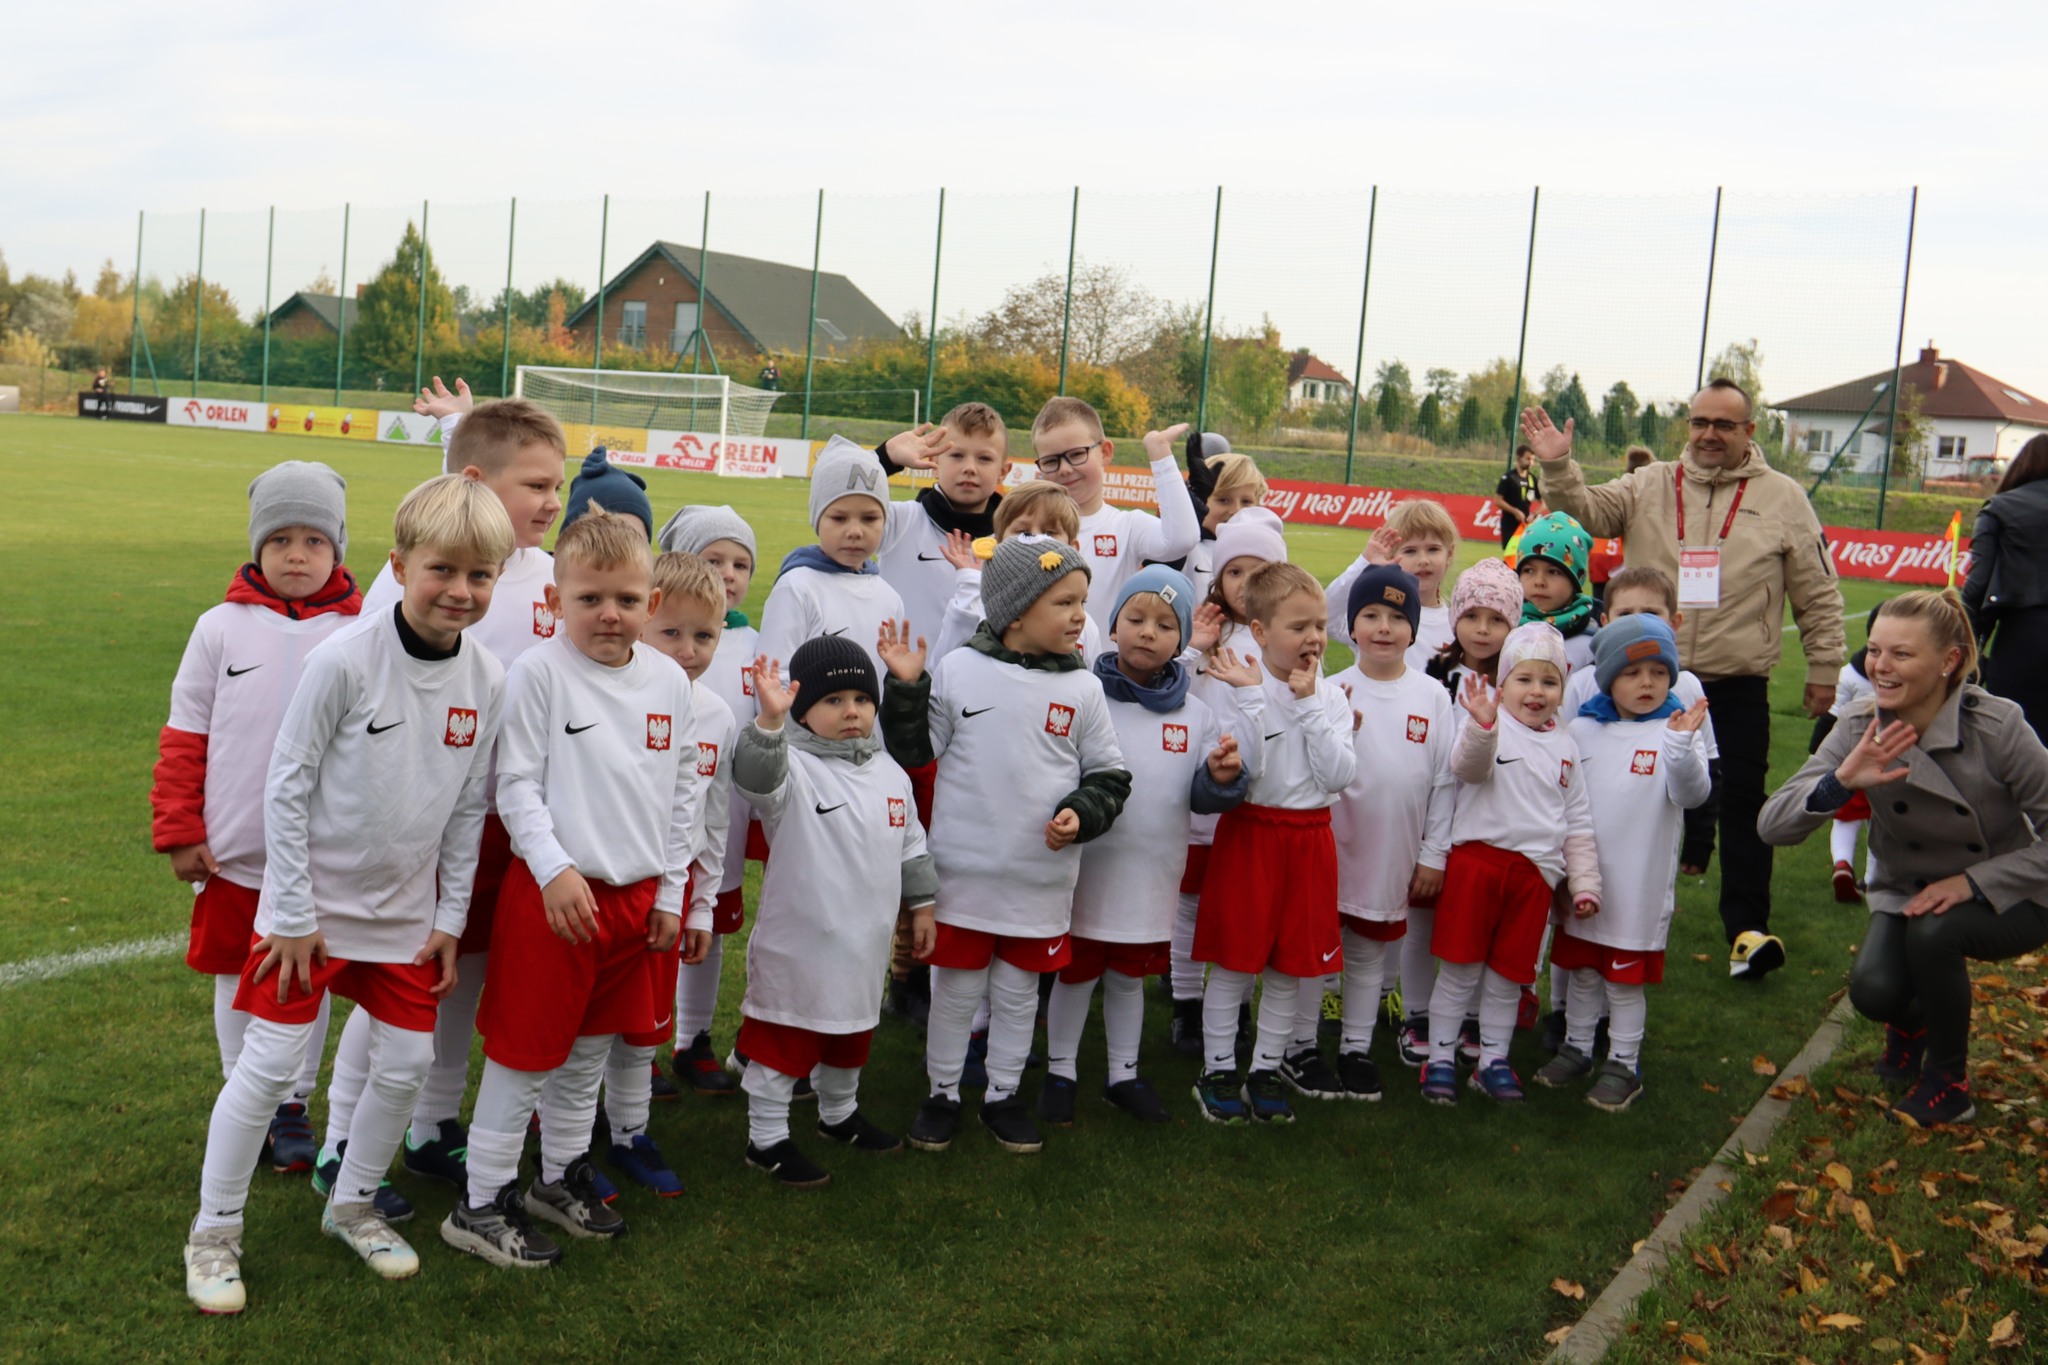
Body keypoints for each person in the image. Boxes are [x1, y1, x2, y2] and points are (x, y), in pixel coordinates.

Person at [181, 475, 512, 1313]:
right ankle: (214, 1231)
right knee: (268, 1068)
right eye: (444, 569)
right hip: (311, 918)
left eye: (481, 575)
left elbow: (470, 807)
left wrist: (447, 919)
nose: (461, 591)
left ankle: (353, 1204)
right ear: (398, 566)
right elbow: (285, 788)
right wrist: (288, 913)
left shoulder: (489, 677)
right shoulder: (343, 661)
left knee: (403, 1063)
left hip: (403, 920)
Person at [1521, 379, 1845, 981]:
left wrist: (1825, 667)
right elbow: (1584, 512)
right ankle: (1605, 922)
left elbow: (1818, 592)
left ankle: (1747, 932)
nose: (1709, 434)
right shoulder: (1650, 483)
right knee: (1625, 801)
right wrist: (1558, 464)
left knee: (1746, 803)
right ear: (1687, 426)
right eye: (1700, 422)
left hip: (1736, 680)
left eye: (1725, 424)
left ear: (1750, 432)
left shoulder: (1783, 498)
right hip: (1641, 678)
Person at [444, 506, 700, 1266]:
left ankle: (555, 1177)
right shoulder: (538, 674)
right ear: (555, 602)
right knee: (525, 1055)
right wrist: (553, 869)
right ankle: (480, 1200)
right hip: (555, 897)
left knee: (588, 1050)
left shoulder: (668, 682)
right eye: (589, 598)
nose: (609, 614)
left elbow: (684, 790)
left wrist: (669, 891)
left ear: (652, 604)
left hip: (634, 898)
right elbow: (514, 785)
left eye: (626, 598)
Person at [327, 392, 568, 1195]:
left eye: (556, 484)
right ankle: (337, 1139)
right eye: (536, 484)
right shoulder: (404, 589)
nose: (552, 500)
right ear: (475, 479)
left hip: (512, 822)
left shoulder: (550, 576)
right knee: (399, 982)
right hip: (429, 824)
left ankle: (432, 1128)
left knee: (458, 981)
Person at [1759, 588, 2048, 1128]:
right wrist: (1842, 781)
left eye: (1901, 654)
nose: (1880, 667)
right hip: (1909, 889)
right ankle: (1913, 1022)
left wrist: (1975, 881)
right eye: (1874, 651)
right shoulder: (1856, 725)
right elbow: (1772, 826)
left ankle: (1948, 1084)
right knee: (1874, 991)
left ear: (1950, 661)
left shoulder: (1999, 727)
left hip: (2016, 894)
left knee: (1934, 933)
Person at [880, 537, 1131, 1155]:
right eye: (1065, 602)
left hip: (1039, 884)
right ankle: (941, 1093)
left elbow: (1110, 776)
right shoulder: (962, 669)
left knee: (1019, 996)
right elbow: (915, 752)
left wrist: (1080, 812)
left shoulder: (1083, 692)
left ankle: (1002, 1095)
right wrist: (908, 690)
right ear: (1016, 612)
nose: (1080, 616)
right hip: (963, 880)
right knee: (956, 992)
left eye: (1083, 602)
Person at [152, 462, 364, 1184]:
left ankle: (291, 1103)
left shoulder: (363, 631)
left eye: (313, 538)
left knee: (306, 981)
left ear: (339, 546)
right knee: (229, 977)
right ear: (256, 546)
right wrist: (180, 826)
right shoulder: (219, 627)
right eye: (280, 538)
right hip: (235, 854)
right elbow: (186, 735)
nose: (297, 554)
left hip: (319, 861)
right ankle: (242, 1087)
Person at [1042, 567, 1247, 1126]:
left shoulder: (1196, 714)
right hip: (1089, 867)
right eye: (1135, 619)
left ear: (1182, 641)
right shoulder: (1083, 694)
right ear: (1111, 627)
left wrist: (1222, 776)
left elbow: (1202, 796)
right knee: (1077, 970)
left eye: (1163, 624)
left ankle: (1123, 1074)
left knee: (1130, 974)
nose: (1147, 632)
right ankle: (1061, 1072)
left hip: (1150, 871)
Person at [733, 639, 935, 1187]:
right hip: (800, 946)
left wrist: (922, 907)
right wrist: (769, 723)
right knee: (785, 1043)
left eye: (861, 699)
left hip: (862, 944)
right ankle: (767, 1138)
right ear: (802, 711)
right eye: (834, 700)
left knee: (852, 1035)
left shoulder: (889, 772)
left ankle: (838, 1115)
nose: (852, 711)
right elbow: (754, 778)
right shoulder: (792, 767)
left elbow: (912, 845)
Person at [1191, 562, 1359, 1125]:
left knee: (1290, 968)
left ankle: (1265, 1068)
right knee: (1235, 965)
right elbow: (1252, 775)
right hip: (1252, 836)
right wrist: (1258, 702)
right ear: (1260, 633)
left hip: (1310, 841)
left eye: (1319, 625)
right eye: (1298, 627)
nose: (1314, 638)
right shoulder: (1238, 684)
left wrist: (1309, 704)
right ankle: (1217, 1069)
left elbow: (1337, 776)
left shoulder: (1332, 697)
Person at [1423, 622, 1600, 1106]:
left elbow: (1577, 820)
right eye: (1524, 679)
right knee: (1459, 971)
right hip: (1477, 867)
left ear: (1563, 689)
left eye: (1549, 682)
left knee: (1507, 977)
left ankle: (1493, 1060)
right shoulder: (1487, 723)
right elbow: (1467, 768)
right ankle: (1439, 1059)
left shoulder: (1566, 746)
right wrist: (1482, 727)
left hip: (1534, 878)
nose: (1536, 692)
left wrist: (1584, 882)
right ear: (1503, 685)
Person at [604, 550, 735, 1196]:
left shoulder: (717, 715)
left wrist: (702, 904)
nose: (688, 650)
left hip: (669, 895)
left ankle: (629, 1129)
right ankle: (558, 1124)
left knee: (640, 1028)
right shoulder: (608, 695)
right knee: (582, 1026)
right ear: (643, 619)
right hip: (603, 888)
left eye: (704, 635)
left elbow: (712, 822)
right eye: (672, 632)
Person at [1541, 616, 1712, 1110]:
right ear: (1609, 676)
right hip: (1585, 878)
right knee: (1584, 973)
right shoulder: (1583, 729)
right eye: (1634, 673)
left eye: (1660, 673)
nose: (1648, 684)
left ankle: (1623, 1060)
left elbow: (1693, 793)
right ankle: (1576, 1046)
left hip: (1638, 885)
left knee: (1622, 977)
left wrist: (1681, 747)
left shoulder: (1676, 730)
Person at [1321, 564, 1455, 1100]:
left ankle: (1356, 1048)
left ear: (1414, 629)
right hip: (1331, 848)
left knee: (1369, 954)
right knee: (1318, 951)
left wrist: (1434, 854)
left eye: (1397, 617)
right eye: (1370, 614)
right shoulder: (1332, 690)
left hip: (1391, 853)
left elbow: (1445, 783)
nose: (1382, 627)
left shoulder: (1432, 697)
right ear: (1351, 626)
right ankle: (1297, 1045)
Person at [1171, 506, 1290, 1058]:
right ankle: (1185, 1004)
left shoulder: (1282, 642)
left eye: (1258, 573)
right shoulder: (1204, 628)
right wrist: (1195, 647)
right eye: (1234, 572)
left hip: (1253, 804)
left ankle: (1234, 1003)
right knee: (1190, 904)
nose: (1245, 584)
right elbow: (1172, 695)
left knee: (1238, 910)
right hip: (1196, 798)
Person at [655, 504, 760, 1090]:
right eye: (711, 558)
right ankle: (642, 1044)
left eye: (739, 562)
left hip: (718, 817)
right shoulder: (645, 662)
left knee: (708, 927)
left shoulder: (755, 641)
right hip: (655, 831)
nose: (726, 572)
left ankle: (693, 1039)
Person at [1028, 398, 1200, 625]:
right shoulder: (1026, 530)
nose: (1065, 469)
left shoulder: (1127, 525)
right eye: (1051, 461)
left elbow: (1182, 540)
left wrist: (1161, 456)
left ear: (1105, 452)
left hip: (1103, 661)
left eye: (1077, 454)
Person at [758, 436, 906, 687]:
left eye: (869, 518)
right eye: (839, 518)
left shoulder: (890, 597)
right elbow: (774, 678)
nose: (855, 531)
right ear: (817, 518)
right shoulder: (796, 588)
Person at [871, 404, 1008, 650]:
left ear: (1003, 471)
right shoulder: (900, 521)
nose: (970, 467)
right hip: (895, 684)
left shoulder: (1011, 542)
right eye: (956, 455)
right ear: (934, 460)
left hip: (976, 687)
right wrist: (885, 457)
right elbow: (834, 493)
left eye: (984, 458)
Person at [1961, 433, 2048, 742]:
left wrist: (1966, 647)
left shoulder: (2000, 507)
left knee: (2010, 742)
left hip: (2021, 640)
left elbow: (1976, 585)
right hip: (2023, 634)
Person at [1324, 498, 1461, 669]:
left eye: (1433, 549)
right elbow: (1325, 615)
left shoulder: (1457, 624)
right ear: (1390, 555)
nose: (1423, 560)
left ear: (1449, 554)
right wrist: (1365, 563)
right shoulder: (1373, 614)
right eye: (1410, 551)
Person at [1516, 511, 1600, 674]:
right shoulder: (1505, 628)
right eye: (1528, 570)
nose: (1539, 581)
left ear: (1576, 580)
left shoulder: (1597, 642)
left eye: (1553, 572)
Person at [1493, 444, 1541, 548]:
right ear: (1519, 459)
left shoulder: (1532, 479)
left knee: (1524, 554)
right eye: (1527, 458)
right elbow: (1497, 500)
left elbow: (1544, 502)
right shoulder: (1508, 478)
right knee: (1511, 556)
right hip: (1509, 523)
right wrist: (1515, 511)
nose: (1530, 462)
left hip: (1526, 524)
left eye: (1533, 459)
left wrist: (1534, 514)